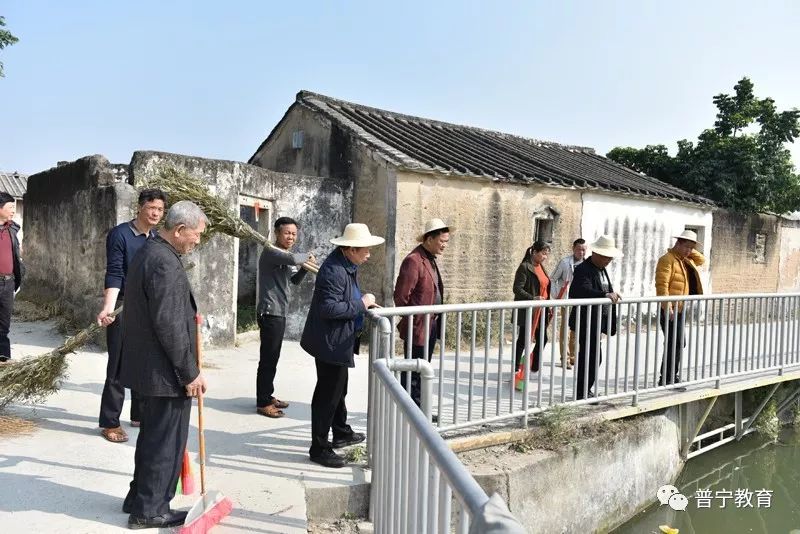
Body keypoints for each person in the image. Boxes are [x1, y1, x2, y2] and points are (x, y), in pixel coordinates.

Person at [118, 200, 208, 529]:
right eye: (196, 234)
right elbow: (168, 324)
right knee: (165, 442)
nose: (197, 240)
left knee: (152, 438)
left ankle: (139, 498)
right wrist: (190, 372)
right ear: (180, 230)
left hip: (152, 368)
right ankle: (151, 510)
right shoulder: (164, 262)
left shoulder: (152, 251)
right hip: (164, 372)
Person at [301, 223, 383, 468]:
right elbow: (328, 309)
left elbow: (343, 298)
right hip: (331, 342)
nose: (369, 254)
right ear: (350, 249)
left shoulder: (346, 265)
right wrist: (362, 303)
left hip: (338, 340)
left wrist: (363, 303)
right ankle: (319, 448)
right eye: (365, 250)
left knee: (339, 389)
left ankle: (341, 432)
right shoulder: (334, 271)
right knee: (327, 396)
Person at [96, 188, 166, 443]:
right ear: (140, 207)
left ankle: (139, 414)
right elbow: (115, 273)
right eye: (152, 208)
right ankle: (110, 422)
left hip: (148, 308)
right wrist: (109, 307)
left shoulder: (157, 237)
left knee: (145, 361)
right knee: (118, 364)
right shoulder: (121, 234)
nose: (156, 213)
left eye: (160, 209)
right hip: (124, 305)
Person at [255, 216, 316, 418]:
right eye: (287, 233)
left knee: (273, 358)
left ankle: (268, 395)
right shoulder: (271, 251)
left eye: (294, 234)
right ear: (277, 233)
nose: (291, 237)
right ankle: (263, 402)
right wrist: (308, 256)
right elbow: (293, 259)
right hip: (270, 312)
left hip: (279, 312)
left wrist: (305, 268)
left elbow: (294, 280)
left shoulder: (284, 255)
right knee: (268, 359)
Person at [393, 218, 451, 408]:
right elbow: (401, 296)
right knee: (413, 370)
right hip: (418, 325)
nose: (444, 245)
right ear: (429, 239)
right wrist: (414, 318)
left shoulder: (429, 259)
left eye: (446, 241)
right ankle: (410, 410)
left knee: (423, 368)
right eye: (442, 241)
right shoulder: (414, 260)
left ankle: (418, 409)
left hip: (430, 323)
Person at [569, 235, 623, 401]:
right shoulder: (583, 269)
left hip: (597, 321)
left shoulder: (600, 269)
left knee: (593, 356)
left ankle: (586, 390)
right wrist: (604, 295)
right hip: (586, 320)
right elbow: (580, 291)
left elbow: (602, 288)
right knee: (590, 357)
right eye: (606, 257)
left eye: (610, 258)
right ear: (596, 254)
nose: (608, 261)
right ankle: (582, 392)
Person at [655, 229, 705, 386]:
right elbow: (662, 284)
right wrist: (667, 306)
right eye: (686, 247)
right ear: (677, 243)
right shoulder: (667, 260)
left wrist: (689, 249)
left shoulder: (684, 260)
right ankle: (667, 378)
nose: (689, 251)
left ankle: (670, 376)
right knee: (674, 342)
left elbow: (702, 260)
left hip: (680, 309)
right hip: (670, 309)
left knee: (678, 342)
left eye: (691, 248)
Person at [512, 241, 551, 376]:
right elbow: (517, 289)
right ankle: (516, 368)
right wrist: (533, 298)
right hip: (529, 310)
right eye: (543, 254)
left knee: (543, 339)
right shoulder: (525, 267)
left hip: (542, 310)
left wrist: (548, 304)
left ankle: (533, 365)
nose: (545, 257)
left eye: (547, 254)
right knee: (523, 339)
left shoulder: (541, 267)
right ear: (534, 252)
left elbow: (545, 287)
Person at [550, 238, 587, 369]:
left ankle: (573, 357)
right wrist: (557, 295)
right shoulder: (565, 263)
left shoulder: (587, 264)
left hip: (581, 301)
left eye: (583, 250)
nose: (581, 252)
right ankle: (564, 358)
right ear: (573, 249)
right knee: (565, 329)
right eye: (578, 249)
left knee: (576, 330)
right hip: (567, 301)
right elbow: (552, 279)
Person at [0, 192, 23, 363]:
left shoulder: (12, 229)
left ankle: (3, 356)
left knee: (4, 323)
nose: (13, 211)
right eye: (10, 207)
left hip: (8, 282)